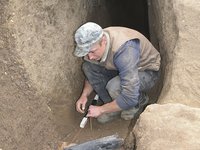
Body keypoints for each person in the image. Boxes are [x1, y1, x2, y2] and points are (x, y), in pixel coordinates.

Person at [74, 22, 160, 123]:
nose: (90, 57)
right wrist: (84, 95)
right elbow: (91, 74)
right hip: (121, 68)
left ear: (104, 41)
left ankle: (139, 101)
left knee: (114, 86)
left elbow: (129, 97)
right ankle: (112, 104)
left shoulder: (125, 51)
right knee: (88, 67)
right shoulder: (95, 42)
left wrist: (101, 109)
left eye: (92, 52)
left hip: (146, 71)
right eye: (86, 53)